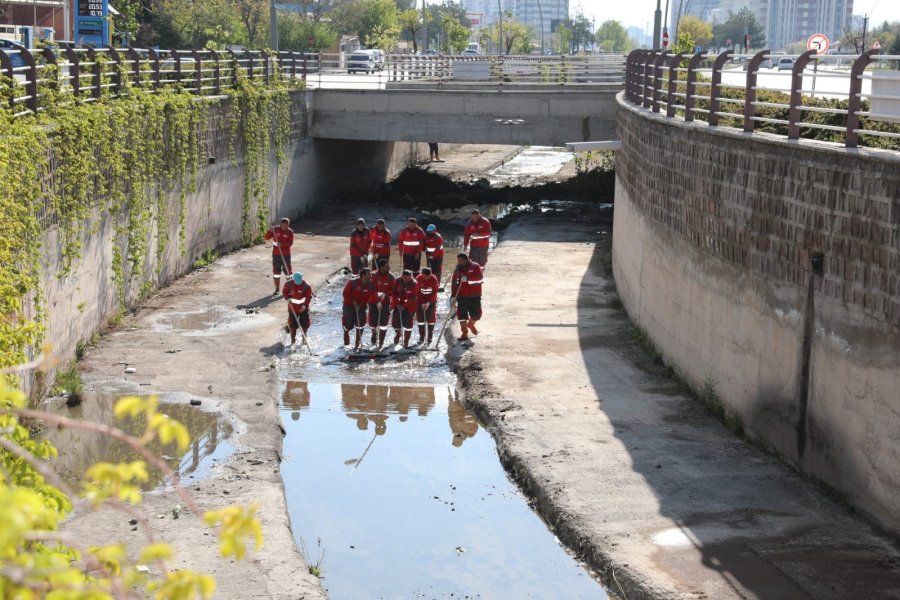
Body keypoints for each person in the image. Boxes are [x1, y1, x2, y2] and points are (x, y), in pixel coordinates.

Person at [451, 253, 483, 342]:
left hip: (475, 296)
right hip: (462, 297)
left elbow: (480, 278)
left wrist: (468, 278)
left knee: (477, 315)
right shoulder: (457, 270)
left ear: (466, 260)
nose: (459, 262)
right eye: (458, 260)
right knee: (462, 316)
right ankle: (464, 333)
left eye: (460, 261)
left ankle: (471, 324)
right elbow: (454, 284)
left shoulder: (475, 266)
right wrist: (453, 296)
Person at [342, 267, 376, 350]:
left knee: (361, 324)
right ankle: (346, 333)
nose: (370, 276)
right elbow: (345, 294)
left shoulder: (371, 284)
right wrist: (353, 302)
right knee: (348, 325)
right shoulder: (352, 283)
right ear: (363, 276)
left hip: (361, 307)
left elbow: (372, 295)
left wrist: (379, 300)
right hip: (349, 306)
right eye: (369, 274)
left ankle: (357, 343)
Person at [369, 259, 395, 349]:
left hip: (385, 303)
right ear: (381, 267)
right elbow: (372, 289)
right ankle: (374, 333)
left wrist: (385, 294)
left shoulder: (391, 277)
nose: (389, 267)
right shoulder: (373, 275)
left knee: (384, 323)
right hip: (373, 302)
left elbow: (392, 289)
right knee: (373, 322)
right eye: (387, 266)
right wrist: (377, 301)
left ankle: (381, 343)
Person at [264, 217, 294, 294]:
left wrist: (282, 244)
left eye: (286, 226)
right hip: (276, 255)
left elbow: (290, 243)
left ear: (288, 225)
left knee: (288, 273)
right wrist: (270, 230)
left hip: (286, 255)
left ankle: (290, 289)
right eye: (283, 226)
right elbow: (266, 237)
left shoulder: (290, 232)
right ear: (280, 224)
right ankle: (277, 289)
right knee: (276, 273)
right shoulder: (275, 229)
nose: (284, 228)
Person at [282, 272, 312, 348]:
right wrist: (287, 298)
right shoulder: (288, 284)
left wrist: (305, 305)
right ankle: (293, 340)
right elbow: (284, 292)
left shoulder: (306, 286)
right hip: (292, 308)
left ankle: (304, 338)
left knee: (305, 324)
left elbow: (308, 297)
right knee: (292, 325)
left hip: (303, 309)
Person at [391, 269, 419, 349]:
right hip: (398, 304)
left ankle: (406, 341)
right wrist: (398, 304)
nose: (406, 280)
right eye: (405, 278)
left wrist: (404, 306)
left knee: (408, 324)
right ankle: (398, 333)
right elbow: (394, 293)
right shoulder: (397, 281)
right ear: (402, 276)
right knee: (395, 323)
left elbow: (413, 297)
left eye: (408, 278)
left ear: (411, 277)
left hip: (410, 306)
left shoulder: (414, 284)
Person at [415, 266, 439, 346]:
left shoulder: (434, 279)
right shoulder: (418, 279)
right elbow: (417, 293)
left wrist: (428, 303)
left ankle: (429, 338)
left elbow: (434, 293)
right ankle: (421, 338)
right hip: (420, 301)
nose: (426, 278)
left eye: (428, 277)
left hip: (431, 301)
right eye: (425, 276)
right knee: (420, 319)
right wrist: (422, 303)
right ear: (422, 274)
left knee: (431, 319)